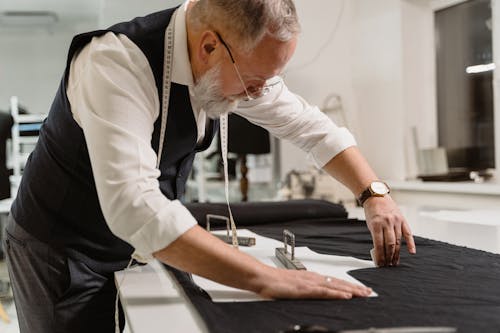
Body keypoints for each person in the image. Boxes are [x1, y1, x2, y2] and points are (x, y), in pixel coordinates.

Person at [3, 0, 416, 332]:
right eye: (254, 81)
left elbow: (312, 129)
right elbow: (134, 206)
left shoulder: (233, 60)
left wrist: (373, 194)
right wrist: (267, 278)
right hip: (59, 247)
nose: (258, 93)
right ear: (209, 46)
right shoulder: (115, 64)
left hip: (129, 243)